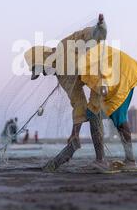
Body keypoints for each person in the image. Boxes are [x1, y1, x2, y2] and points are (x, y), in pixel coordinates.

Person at [24, 14, 108, 169]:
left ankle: (101, 160)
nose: (42, 74)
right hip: (98, 85)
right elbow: (78, 103)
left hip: (105, 75)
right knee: (91, 111)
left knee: (94, 111)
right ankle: (100, 159)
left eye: (41, 69)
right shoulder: (62, 78)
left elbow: (84, 35)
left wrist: (99, 28)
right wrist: (74, 133)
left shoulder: (64, 47)